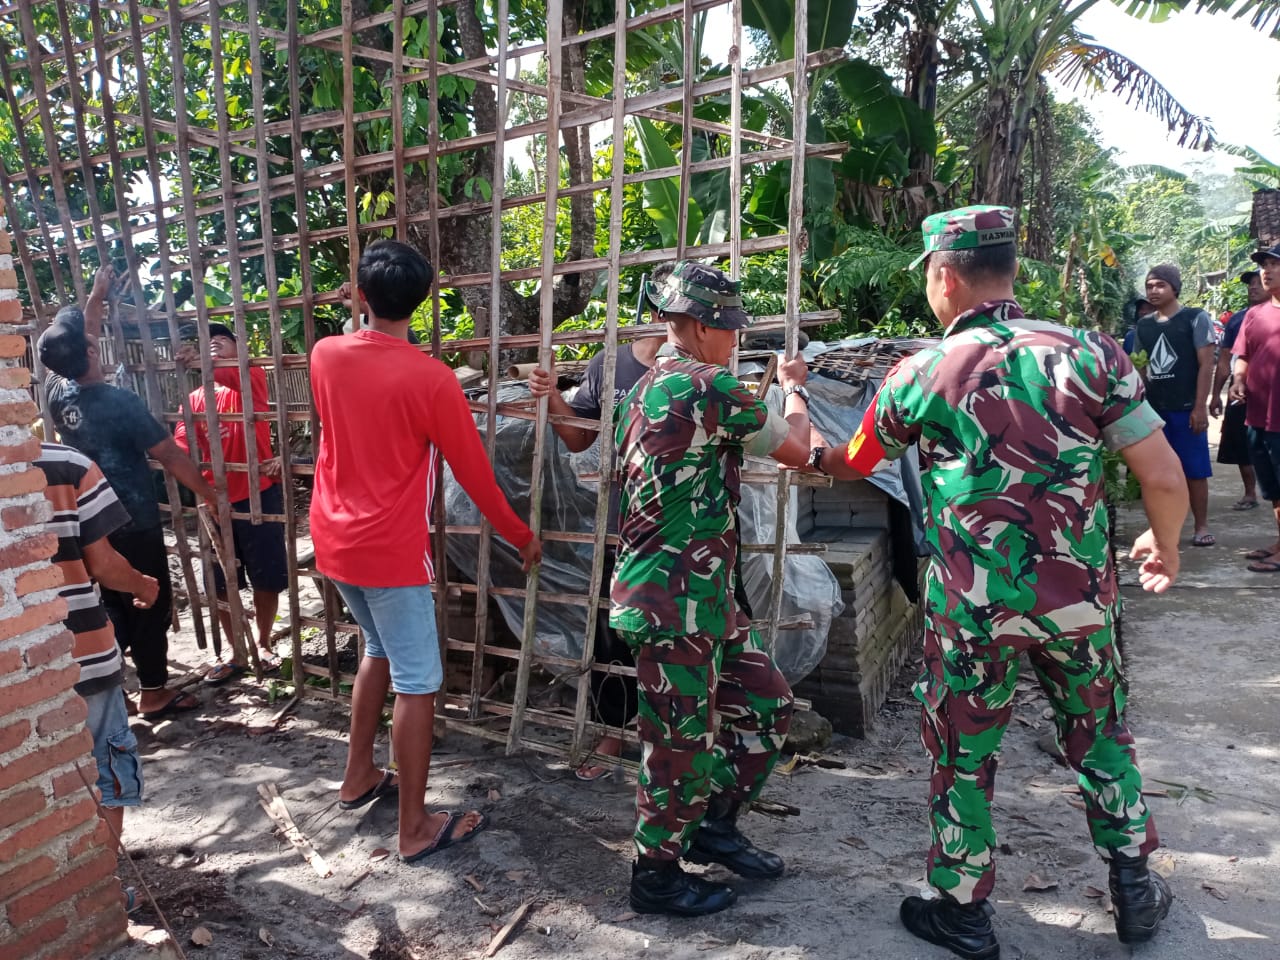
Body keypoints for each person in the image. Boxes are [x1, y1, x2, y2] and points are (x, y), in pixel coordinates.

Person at [816, 206, 1188, 958]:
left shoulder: (920, 373)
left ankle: (961, 911)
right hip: (1078, 603)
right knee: (1099, 733)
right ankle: (1135, 888)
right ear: (1011, 271)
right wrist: (1166, 545)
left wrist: (803, 424)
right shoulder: (1092, 353)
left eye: (928, 274)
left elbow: (854, 462)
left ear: (944, 276)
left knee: (962, 751)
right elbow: (1163, 473)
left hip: (972, 611)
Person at [310, 239, 542, 862]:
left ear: (361, 295)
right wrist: (522, 536)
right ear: (425, 300)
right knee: (419, 682)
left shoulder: (325, 355)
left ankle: (358, 776)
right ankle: (414, 829)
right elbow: (475, 476)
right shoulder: (433, 380)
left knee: (378, 651)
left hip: (333, 539)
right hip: (388, 549)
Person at [610, 260, 813, 917]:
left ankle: (713, 826)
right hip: (672, 602)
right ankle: (656, 877)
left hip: (703, 598)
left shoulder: (642, 389)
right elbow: (797, 449)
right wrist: (793, 388)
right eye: (731, 330)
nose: (737, 341)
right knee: (677, 746)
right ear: (699, 327)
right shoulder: (706, 385)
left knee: (768, 704)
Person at [38, 265, 217, 721]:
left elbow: (86, 336)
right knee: (150, 597)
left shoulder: (59, 392)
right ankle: (154, 691)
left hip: (88, 520)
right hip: (131, 518)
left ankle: (102, 685)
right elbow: (172, 457)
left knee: (112, 600)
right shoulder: (122, 404)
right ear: (90, 354)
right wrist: (208, 496)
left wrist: (97, 296)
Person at [526, 266, 670, 781]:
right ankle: (614, 732)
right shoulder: (612, 366)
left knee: (702, 636)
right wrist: (552, 397)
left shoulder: (708, 366)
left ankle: (691, 741)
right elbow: (578, 438)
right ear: (657, 311)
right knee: (615, 635)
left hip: (698, 534)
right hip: (625, 526)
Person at [35, 442, 159, 851]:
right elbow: (104, 565)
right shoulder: (66, 465)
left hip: (19, 669)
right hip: (82, 649)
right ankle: (103, 886)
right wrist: (143, 585)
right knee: (107, 763)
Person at [174, 322, 288, 682]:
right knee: (220, 582)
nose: (212, 348)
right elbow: (183, 447)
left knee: (266, 576)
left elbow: (233, 372)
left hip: (259, 493)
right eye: (205, 343)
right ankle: (238, 651)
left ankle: (264, 642)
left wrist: (203, 362)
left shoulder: (250, 377)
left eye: (220, 342)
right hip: (215, 504)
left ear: (239, 349)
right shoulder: (193, 401)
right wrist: (203, 492)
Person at [1132, 263, 1216, 546]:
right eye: (1149, 286)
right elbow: (1140, 368)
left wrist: (1200, 406)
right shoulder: (1143, 326)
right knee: (1155, 474)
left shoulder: (1194, 318)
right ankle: (1160, 530)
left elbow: (1206, 365)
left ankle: (1201, 526)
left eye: (1160, 285)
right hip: (1155, 411)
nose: (1153, 291)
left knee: (1194, 471)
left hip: (1186, 408)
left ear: (1174, 288)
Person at [1230, 243, 1280, 573]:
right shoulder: (1254, 314)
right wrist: (1237, 380)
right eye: (1264, 264)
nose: (1266, 270)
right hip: (1258, 414)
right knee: (1274, 486)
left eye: (1274, 264)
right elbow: (1244, 355)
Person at [1210, 269, 1267, 510]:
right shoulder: (1236, 320)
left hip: (1271, 389)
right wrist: (1215, 395)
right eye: (1250, 284)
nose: (1252, 287)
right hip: (1242, 389)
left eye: (1257, 283)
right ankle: (1250, 492)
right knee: (1241, 442)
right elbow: (1224, 362)